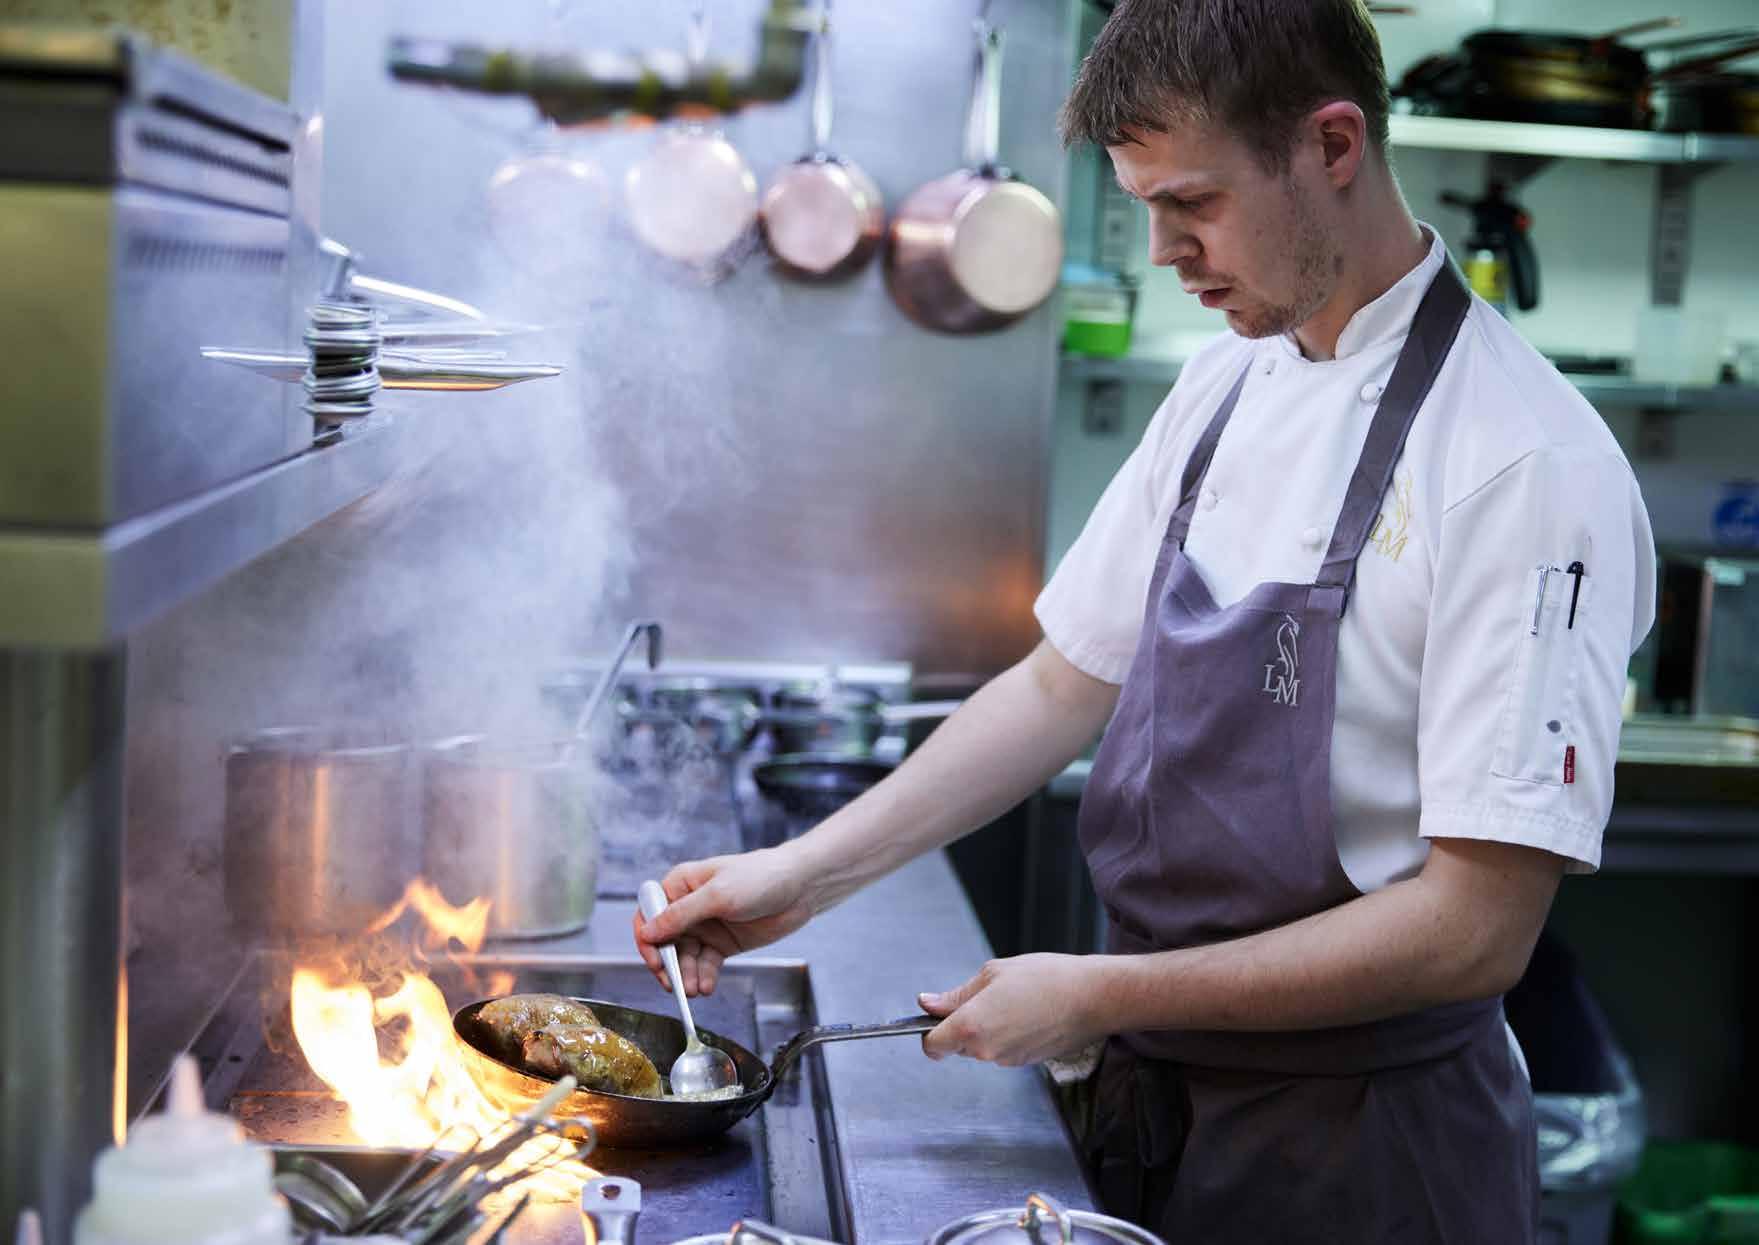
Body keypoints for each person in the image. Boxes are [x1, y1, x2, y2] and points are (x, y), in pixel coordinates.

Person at [635, 1, 1656, 1239]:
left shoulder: (1521, 462)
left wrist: (1104, 993)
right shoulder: (1226, 382)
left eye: (1192, 202)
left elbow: (1472, 932)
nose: (1165, 250)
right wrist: (802, 877)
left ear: (1333, 145)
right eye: (1143, 205)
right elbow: (1059, 684)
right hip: (1159, 1115)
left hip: (1368, 1158)